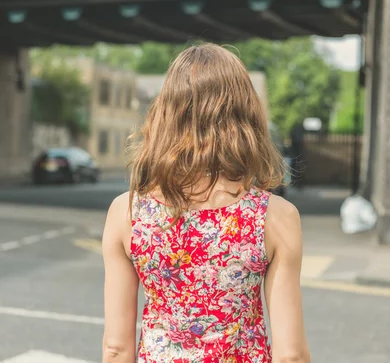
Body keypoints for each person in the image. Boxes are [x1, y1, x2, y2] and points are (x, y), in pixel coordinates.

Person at [102, 43, 310, 363]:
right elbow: (291, 354)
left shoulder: (127, 212)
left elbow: (116, 348)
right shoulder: (274, 216)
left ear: (167, 115)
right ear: (246, 117)